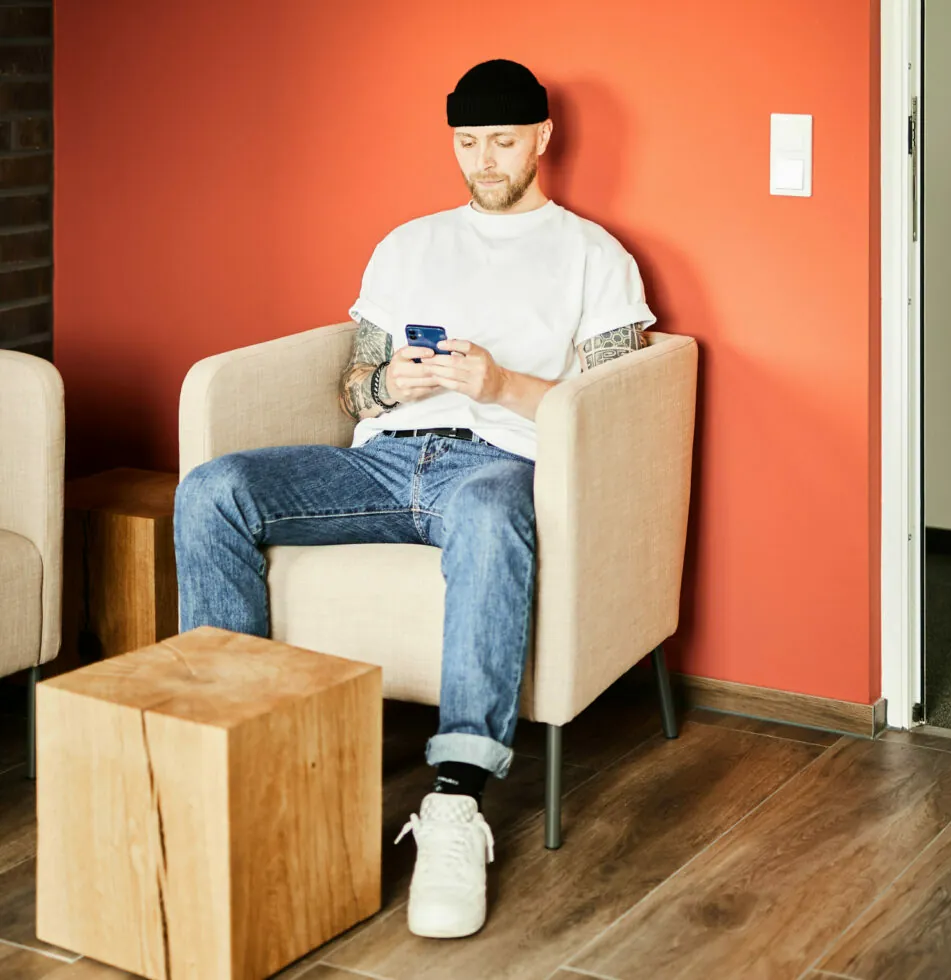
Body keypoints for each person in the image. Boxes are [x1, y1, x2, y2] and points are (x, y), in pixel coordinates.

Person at [174, 58, 656, 939]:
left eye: (503, 142)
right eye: (468, 143)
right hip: (384, 463)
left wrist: (503, 384)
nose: (484, 161)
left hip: (496, 468)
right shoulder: (406, 246)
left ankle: (454, 803)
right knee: (214, 490)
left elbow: (611, 417)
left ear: (544, 138)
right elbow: (353, 390)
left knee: (482, 513)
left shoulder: (593, 256)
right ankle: (232, 747)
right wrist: (389, 385)